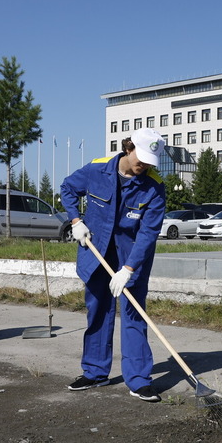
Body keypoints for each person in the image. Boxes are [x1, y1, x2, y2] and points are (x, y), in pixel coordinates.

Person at [60, 128, 166, 402]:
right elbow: (68, 188)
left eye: (149, 161)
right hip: (96, 251)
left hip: (132, 257)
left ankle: (139, 379)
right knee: (97, 310)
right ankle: (95, 372)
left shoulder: (154, 187)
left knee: (133, 313)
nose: (143, 165)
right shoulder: (97, 170)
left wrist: (128, 269)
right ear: (128, 147)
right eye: (140, 158)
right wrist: (76, 221)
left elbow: (148, 233)